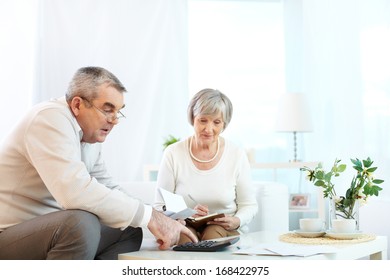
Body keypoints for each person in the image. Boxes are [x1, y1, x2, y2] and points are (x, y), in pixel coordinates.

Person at [0, 66, 197, 260]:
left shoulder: (89, 137)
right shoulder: (49, 119)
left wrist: (157, 217)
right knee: (79, 223)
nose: (114, 120)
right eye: (107, 110)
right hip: (9, 234)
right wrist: (150, 217)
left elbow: (107, 186)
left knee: (129, 228)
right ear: (77, 104)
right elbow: (74, 193)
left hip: (49, 231)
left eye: (118, 112)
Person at [154, 88, 258, 244]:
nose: (208, 129)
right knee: (184, 239)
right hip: (184, 224)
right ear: (193, 118)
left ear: (224, 124)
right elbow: (160, 205)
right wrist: (186, 215)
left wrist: (236, 220)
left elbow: (249, 205)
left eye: (216, 122)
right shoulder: (173, 153)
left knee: (212, 238)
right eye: (203, 120)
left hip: (223, 228)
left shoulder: (236, 154)